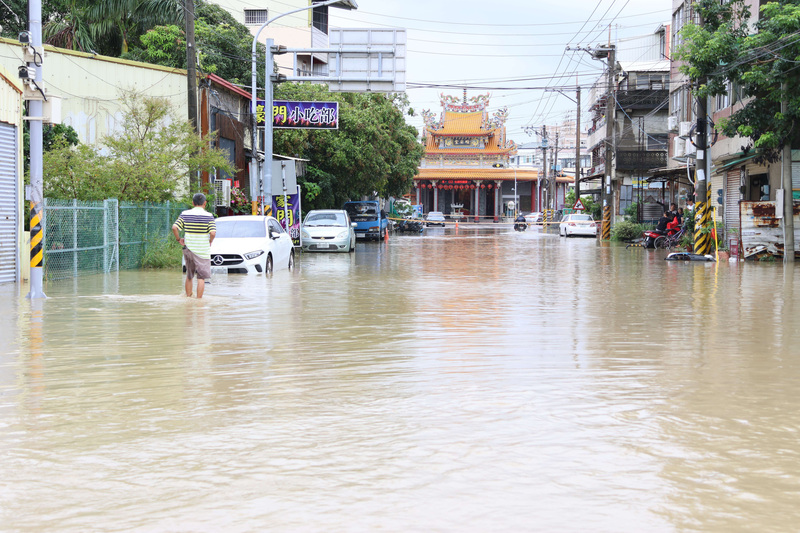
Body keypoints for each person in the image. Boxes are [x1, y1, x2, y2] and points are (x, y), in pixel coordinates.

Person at [172, 193, 216, 298]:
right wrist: (210, 241)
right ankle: (199, 301)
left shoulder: (185, 214)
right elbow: (213, 233)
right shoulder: (209, 216)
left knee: (189, 275)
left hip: (189, 249)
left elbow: (174, 227)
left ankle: (188, 298)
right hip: (202, 251)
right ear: (205, 203)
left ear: (192, 203)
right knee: (201, 278)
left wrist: (179, 239)